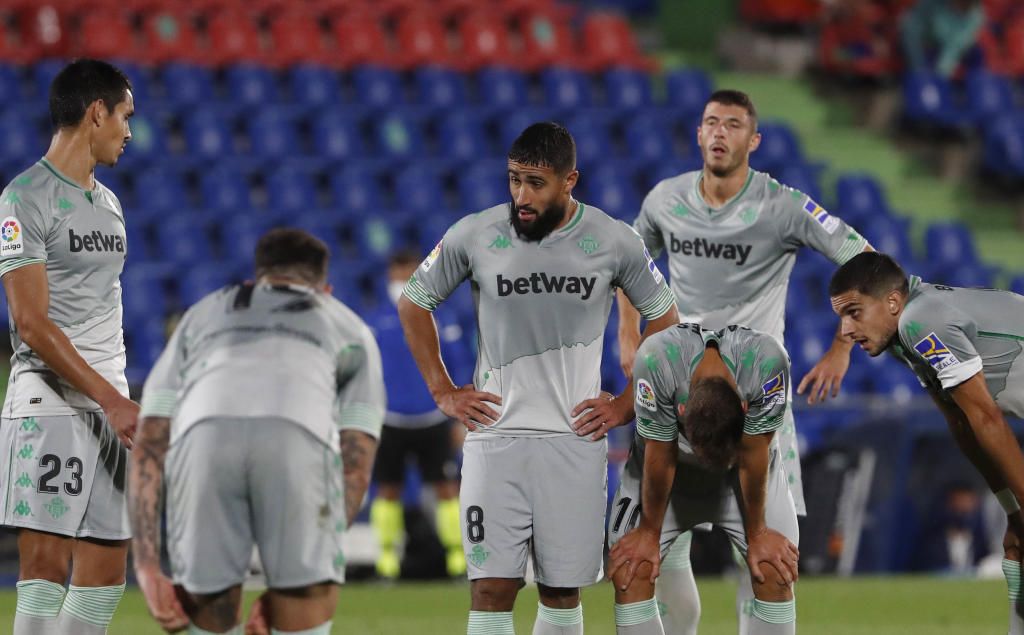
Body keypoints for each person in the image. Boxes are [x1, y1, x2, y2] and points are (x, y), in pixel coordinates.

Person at [399, 122, 679, 635]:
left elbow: (666, 322)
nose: (521, 196)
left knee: (561, 591)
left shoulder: (614, 240)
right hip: (495, 439)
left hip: (574, 441)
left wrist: (626, 404)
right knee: (490, 589)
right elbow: (414, 303)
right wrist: (443, 390)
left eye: (535, 183)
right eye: (514, 180)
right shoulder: (475, 233)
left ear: (569, 180)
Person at [616, 88, 871, 632]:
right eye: (711, 122)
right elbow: (628, 263)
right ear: (698, 133)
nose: (719, 132)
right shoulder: (665, 199)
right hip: (677, 390)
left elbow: (865, 260)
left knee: (762, 554)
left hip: (757, 393)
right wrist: (627, 332)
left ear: (754, 140)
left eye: (733, 124)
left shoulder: (783, 206)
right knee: (660, 548)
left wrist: (841, 345)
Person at [129, 228, 384, 635]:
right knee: (302, 604)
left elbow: (150, 440)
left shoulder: (203, 313)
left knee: (208, 613)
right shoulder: (349, 326)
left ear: (256, 279)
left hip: (203, 437)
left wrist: (145, 565)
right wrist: (307, 566)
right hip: (298, 438)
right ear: (326, 288)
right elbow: (356, 465)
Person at [0, 59, 137, 635]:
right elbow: (30, 322)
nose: (128, 132)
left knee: (105, 574)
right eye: (125, 116)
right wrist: (111, 397)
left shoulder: (109, 203)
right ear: (97, 112)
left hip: (108, 401)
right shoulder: (23, 198)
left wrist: (113, 395)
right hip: (50, 401)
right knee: (46, 568)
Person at [829, 251, 1024, 634]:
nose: (846, 330)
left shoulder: (920, 321)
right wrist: (1013, 510)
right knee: (1017, 550)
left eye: (853, 313)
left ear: (892, 301)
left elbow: (987, 418)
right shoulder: (905, 336)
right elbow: (961, 421)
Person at [608, 324, 800, 635]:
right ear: (681, 410)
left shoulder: (767, 363)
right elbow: (660, 457)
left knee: (775, 568)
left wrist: (759, 532)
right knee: (631, 568)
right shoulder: (656, 361)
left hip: (743, 475)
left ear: (744, 407)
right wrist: (648, 532)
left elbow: (754, 456)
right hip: (670, 470)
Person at [367, 249, 473, 580]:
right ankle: (387, 563)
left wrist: (459, 418)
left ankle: (458, 561)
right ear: (390, 274)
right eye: (399, 271)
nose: (404, 277)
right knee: (388, 490)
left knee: (446, 488)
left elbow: (459, 366)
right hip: (389, 418)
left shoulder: (441, 317)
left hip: (434, 416)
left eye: (410, 271)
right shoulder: (375, 319)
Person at [902, 0, 985, 78]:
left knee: (976, 52)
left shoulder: (976, 16)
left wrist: (939, 76)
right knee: (909, 28)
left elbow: (954, 48)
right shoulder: (932, 4)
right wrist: (919, 70)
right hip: (922, 53)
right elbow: (910, 29)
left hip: (948, 62)